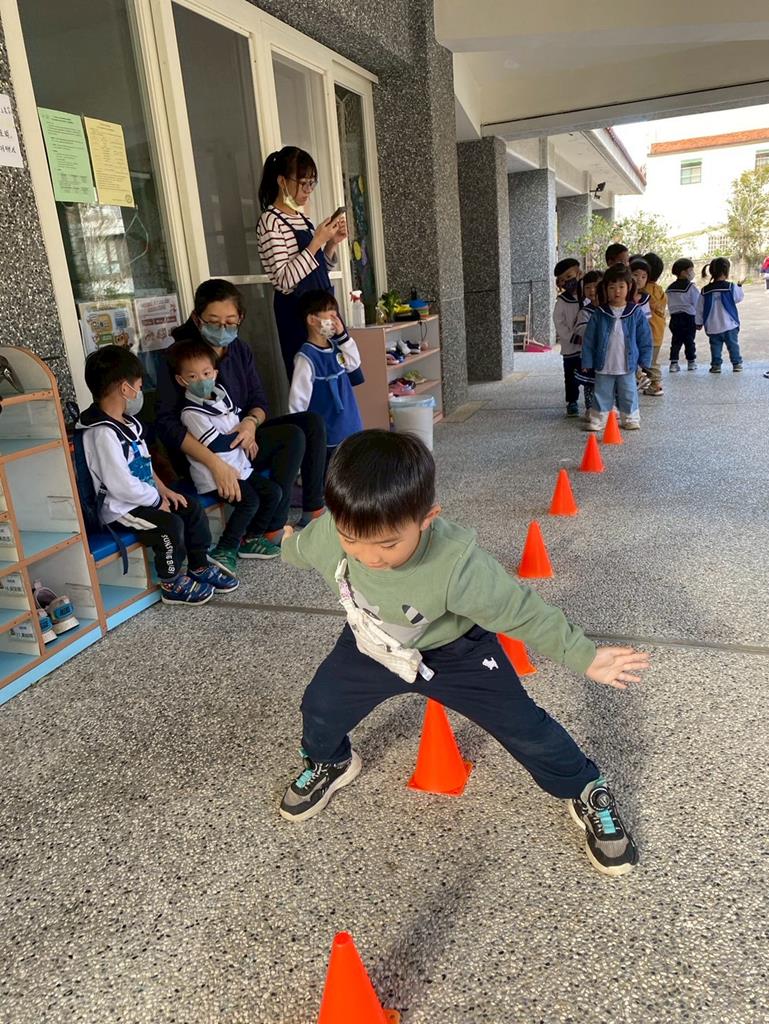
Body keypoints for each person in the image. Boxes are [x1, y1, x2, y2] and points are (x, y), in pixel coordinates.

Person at [278, 429, 649, 877]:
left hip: (456, 654)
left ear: (427, 518)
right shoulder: (331, 533)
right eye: (352, 539)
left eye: (388, 543)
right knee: (320, 705)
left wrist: (583, 655)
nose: (369, 556)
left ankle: (584, 787)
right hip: (372, 642)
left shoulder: (457, 564)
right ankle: (331, 761)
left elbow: (521, 611)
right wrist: (287, 544)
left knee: (523, 726)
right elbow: (302, 547)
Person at [156, 279, 327, 535]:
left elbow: (258, 401)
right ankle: (273, 525)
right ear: (197, 319)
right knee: (292, 436)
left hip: (242, 439)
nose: (222, 329)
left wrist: (250, 423)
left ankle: (313, 509)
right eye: (213, 322)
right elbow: (166, 424)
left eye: (230, 322)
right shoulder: (180, 357)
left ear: (240, 318)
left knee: (312, 422)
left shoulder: (239, 350)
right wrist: (216, 464)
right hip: (208, 452)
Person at [77, 345, 238, 606]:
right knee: (169, 525)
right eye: (139, 387)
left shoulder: (128, 423)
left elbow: (144, 463)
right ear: (125, 389)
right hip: (122, 508)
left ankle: (199, 566)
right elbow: (120, 485)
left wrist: (163, 490)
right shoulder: (102, 433)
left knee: (190, 508)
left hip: (145, 496)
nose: (140, 393)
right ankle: (171, 583)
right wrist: (156, 500)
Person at [170, 339, 285, 574]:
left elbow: (238, 423)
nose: (202, 380)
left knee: (273, 492)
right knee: (250, 501)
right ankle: (226, 547)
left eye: (206, 373)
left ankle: (252, 538)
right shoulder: (191, 413)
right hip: (216, 476)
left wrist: (249, 434)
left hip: (239, 467)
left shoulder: (222, 398)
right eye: (193, 376)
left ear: (215, 373)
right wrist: (244, 436)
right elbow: (217, 443)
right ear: (181, 381)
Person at [256, 147, 361, 386]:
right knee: (310, 379)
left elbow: (317, 268)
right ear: (282, 181)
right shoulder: (270, 222)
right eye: (303, 183)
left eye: (312, 183)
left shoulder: (302, 219)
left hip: (322, 305)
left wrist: (331, 244)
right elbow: (284, 280)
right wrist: (316, 242)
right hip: (297, 312)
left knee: (337, 371)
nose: (308, 191)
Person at [289, 290, 363, 469]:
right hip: (328, 431)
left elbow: (354, 364)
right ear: (312, 319)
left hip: (350, 424)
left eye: (337, 315)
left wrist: (343, 337)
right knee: (332, 472)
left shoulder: (338, 346)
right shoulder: (306, 357)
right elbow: (298, 402)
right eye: (330, 315)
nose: (336, 320)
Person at [582, 265, 653, 431]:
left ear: (629, 287)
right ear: (605, 289)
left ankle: (630, 417)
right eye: (612, 287)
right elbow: (589, 340)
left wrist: (645, 361)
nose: (617, 291)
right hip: (604, 364)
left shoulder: (635, 312)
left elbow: (644, 338)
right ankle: (598, 419)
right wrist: (587, 361)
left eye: (621, 286)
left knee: (628, 392)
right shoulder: (600, 313)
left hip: (627, 364)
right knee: (602, 393)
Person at [696, 258, 744, 374]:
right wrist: (739, 285)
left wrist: (698, 322)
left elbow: (699, 309)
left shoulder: (705, 290)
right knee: (733, 345)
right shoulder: (730, 287)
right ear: (726, 271)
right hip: (729, 325)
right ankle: (736, 364)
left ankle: (716, 366)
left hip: (713, 327)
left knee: (715, 347)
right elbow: (738, 298)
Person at [552, 258, 585, 417]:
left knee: (591, 375)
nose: (567, 281)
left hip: (588, 347)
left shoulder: (589, 296)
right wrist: (572, 337)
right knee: (571, 378)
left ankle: (592, 401)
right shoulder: (562, 301)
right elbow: (559, 323)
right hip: (571, 348)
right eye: (563, 279)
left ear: (579, 274)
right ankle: (572, 402)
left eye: (569, 276)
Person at [572, 270, 603, 416]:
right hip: (591, 354)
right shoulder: (585, 311)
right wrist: (596, 329)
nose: (592, 290)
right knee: (590, 382)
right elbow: (579, 328)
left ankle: (608, 406)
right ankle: (590, 408)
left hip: (608, 355)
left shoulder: (610, 308)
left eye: (596, 286)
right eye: (588, 287)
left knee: (608, 381)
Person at [666, 258, 700, 372]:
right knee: (689, 340)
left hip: (674, 318)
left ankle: (673, 364)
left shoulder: (669, 288)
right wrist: (699, 319)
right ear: (683, 272)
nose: (692, 273)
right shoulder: (690, 287)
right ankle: (691, 362)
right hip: (688, 318)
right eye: (690, 270)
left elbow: (668, 303)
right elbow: (697, 303)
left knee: (676, 341)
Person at [641, 252, 667, 396]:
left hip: (648, 333)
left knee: (650, 362)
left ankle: (656, 384)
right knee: (651, 359)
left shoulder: (643, 291)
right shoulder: (659, 289)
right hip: (658, 332)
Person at [629, 258, 655, 397]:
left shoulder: (644, 298)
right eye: (635, 275)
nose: (639, 279)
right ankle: (638, 377)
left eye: (644, 277)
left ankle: (640, 376)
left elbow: (646, 321)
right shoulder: (623, 297)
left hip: (638, 336)